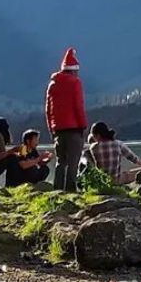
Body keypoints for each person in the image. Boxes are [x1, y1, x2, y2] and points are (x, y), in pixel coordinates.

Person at [45, 47, 87, 192]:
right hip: (74, 128)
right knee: (73, 161)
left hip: (58, 129)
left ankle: (57, 190)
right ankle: (71, 190)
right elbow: (78, 106)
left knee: (61, 161)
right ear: (74, 70)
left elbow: (48, 110)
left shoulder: (52, 84)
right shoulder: (75, 82)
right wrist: (83, 126)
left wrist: (51, 129)